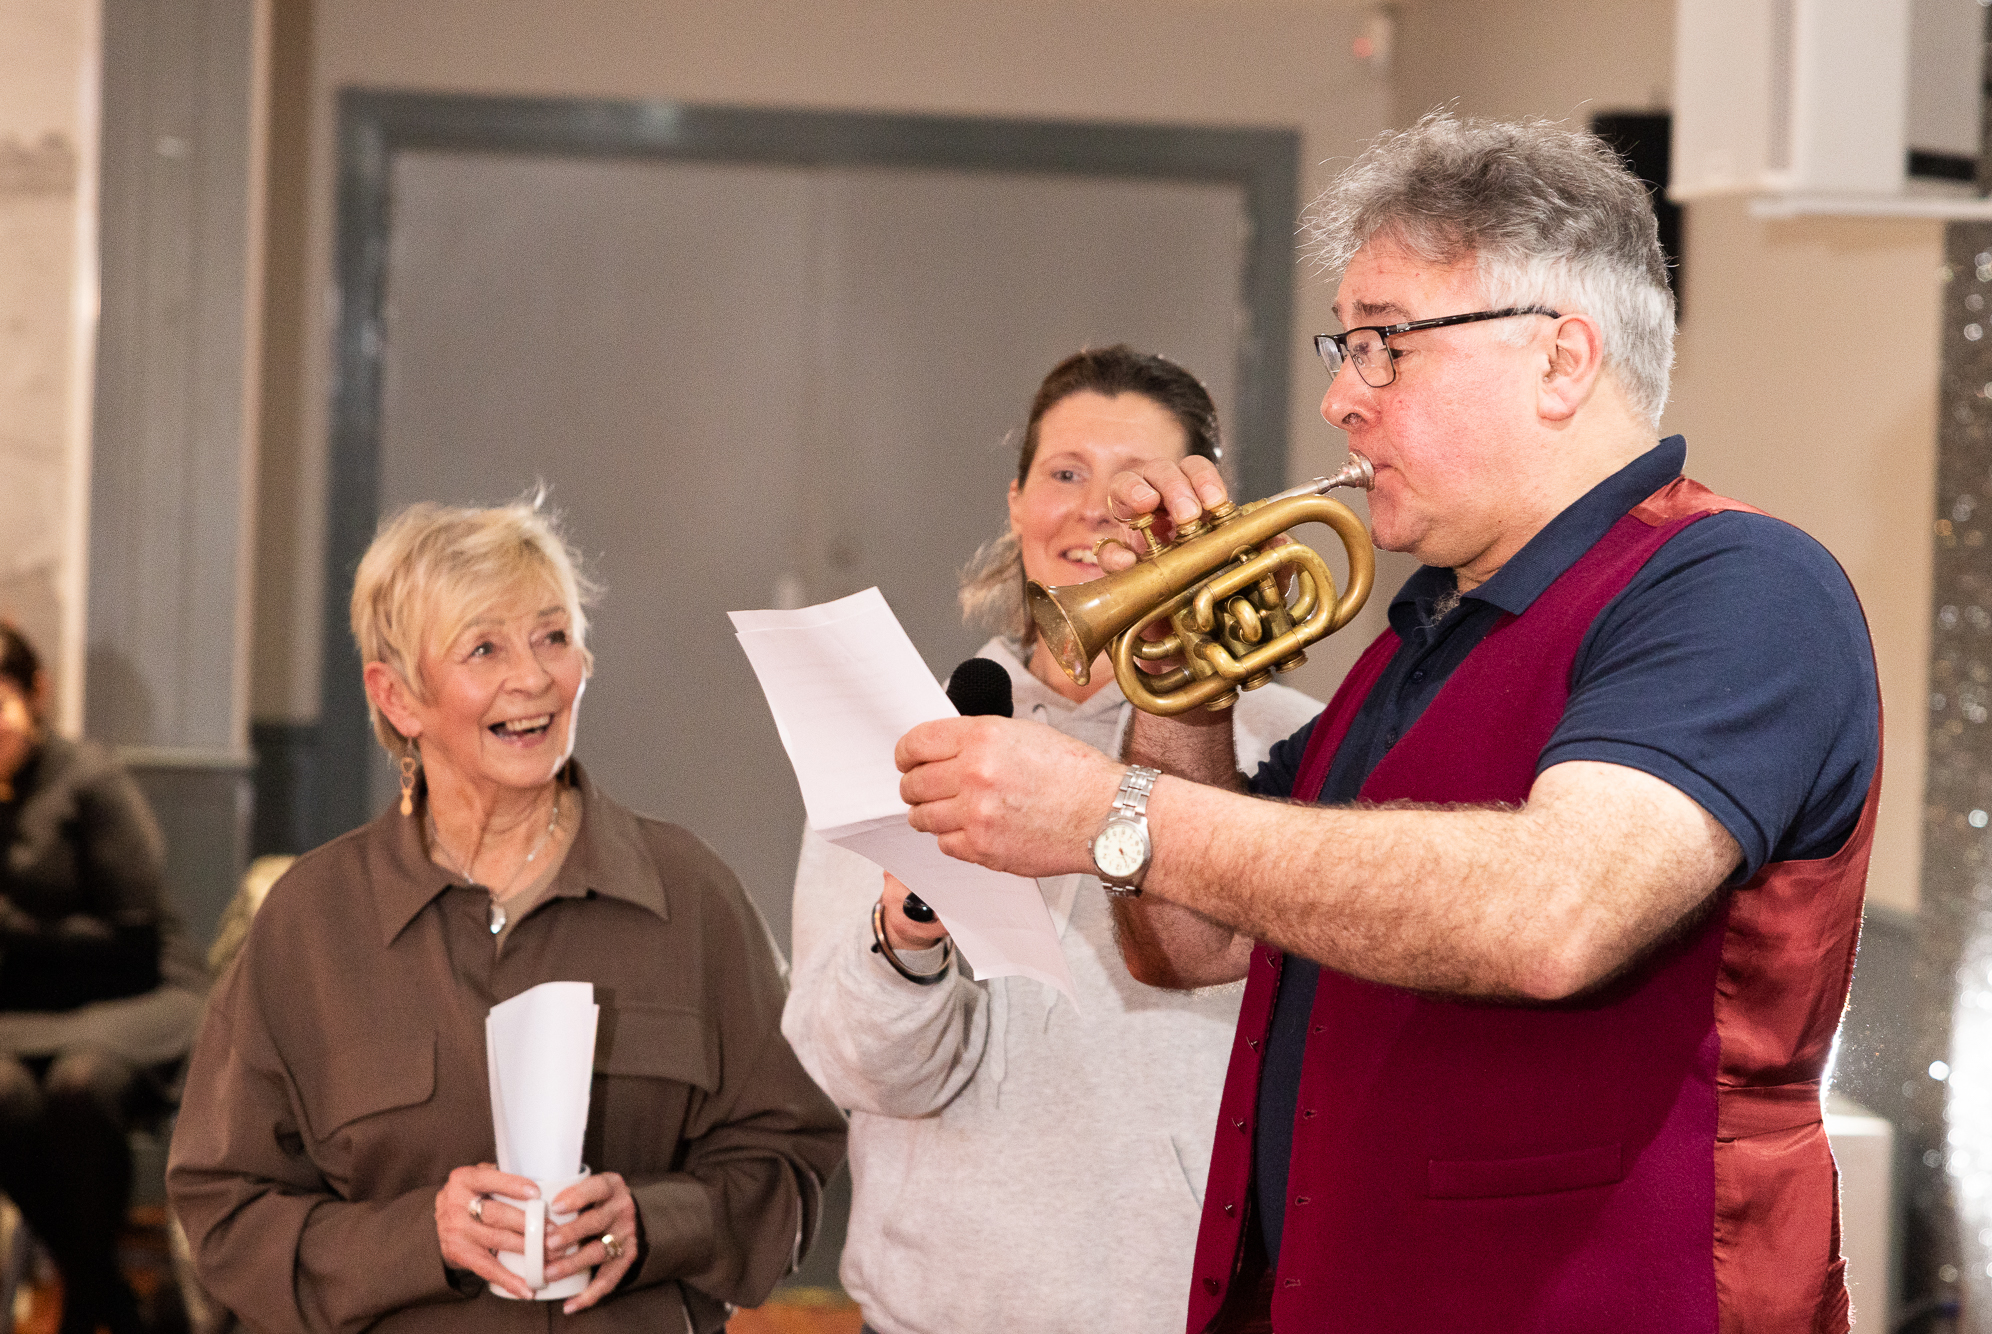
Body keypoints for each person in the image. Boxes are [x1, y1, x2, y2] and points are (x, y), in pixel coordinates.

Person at [890, 115, 1881, 1334]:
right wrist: (1180, 684)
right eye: (1341, 346)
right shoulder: (1419, 635)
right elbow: (1189, 940)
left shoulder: (1736, 584)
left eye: (1382, 347)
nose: (1337, 399)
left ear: (1560, 359)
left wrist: (1110, 809)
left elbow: (1554, 912)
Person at [167, 499, 846, 1334]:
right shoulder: (311, 923)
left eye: (553, 637)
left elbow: (788, 1160)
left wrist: (655, 1223)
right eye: (484, 648)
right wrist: (422, 1238)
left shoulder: (691, 898)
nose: (533, 678)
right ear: (397, 697)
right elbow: (226, 1211)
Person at [781, 347, 1324, 1334]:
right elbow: (858, 1075)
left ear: (1195, 509)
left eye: (1136, 482)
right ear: (1016, 501)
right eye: (1065, 473)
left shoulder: (1292, 741)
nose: (1093, 512)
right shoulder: (904, 732)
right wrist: (906, 934)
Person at [0, 622, 206, 1334]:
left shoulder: (89, 778)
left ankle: (87, 1306)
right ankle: (103, 1294)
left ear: (36, 694)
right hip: (28, 1013)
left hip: (138, 994)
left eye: (1, 702)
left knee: (81, 1085)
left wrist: (12, 930)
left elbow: (136, 933)